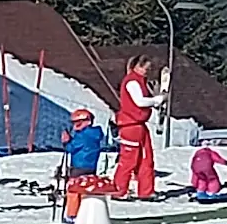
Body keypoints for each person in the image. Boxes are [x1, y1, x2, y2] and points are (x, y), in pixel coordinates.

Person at [112, 55, 165, 200]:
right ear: (136, 66)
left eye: (148, 68)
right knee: (128, 160)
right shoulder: (132, 81)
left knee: (146, 159)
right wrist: (156, 100)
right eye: (143, 67)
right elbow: (139, 101)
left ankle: (146, 191)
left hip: (139, 125)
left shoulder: (140, 82)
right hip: (131, 125)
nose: (146, 71)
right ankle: (119, 190)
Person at [60, 108, 106, 178]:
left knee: (75, 184)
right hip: (91, 166)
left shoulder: (82, 135)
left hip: (79, 167)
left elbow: (71, 148)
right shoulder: (94, 133)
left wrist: (66, 142)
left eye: (78, 122)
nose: (75, 125)